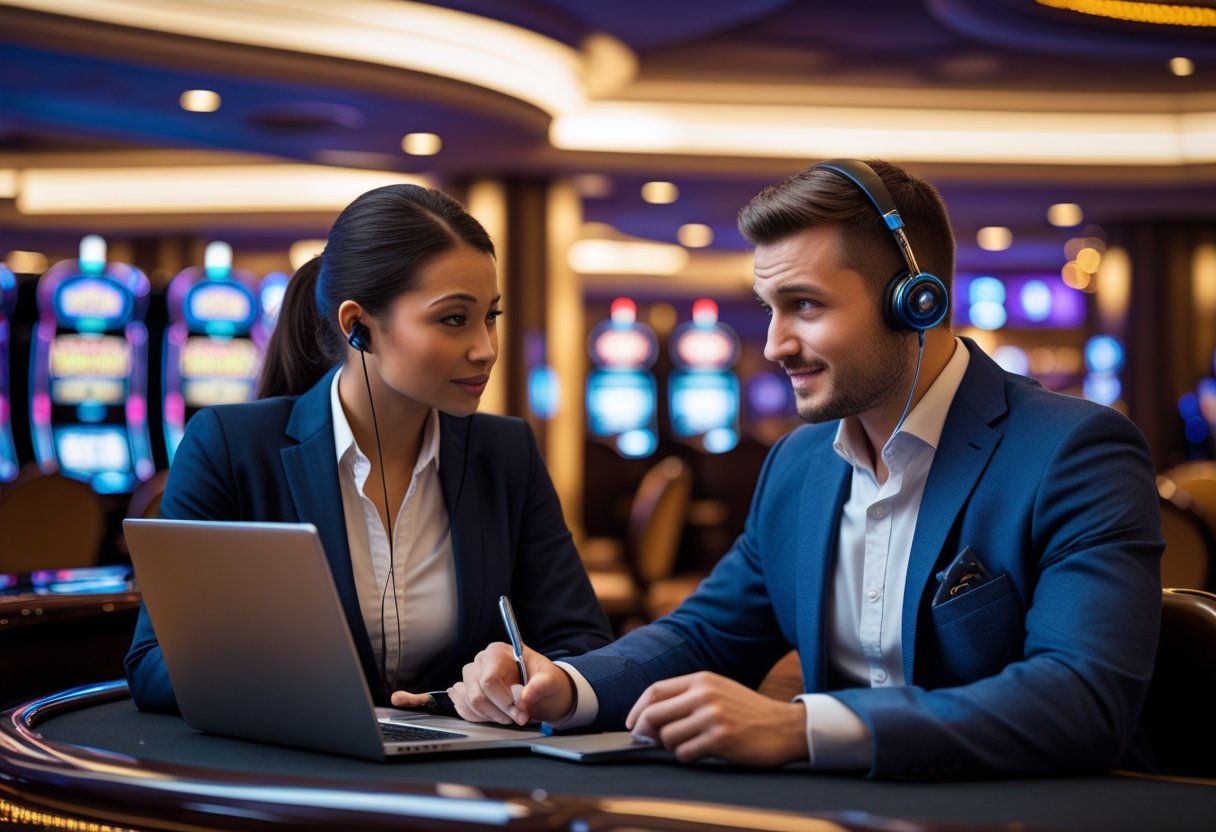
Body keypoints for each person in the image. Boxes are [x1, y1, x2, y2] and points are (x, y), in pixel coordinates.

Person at [447, 159, 1164, 779]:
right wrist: (565, 685)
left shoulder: (1074, 451)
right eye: (770, 308)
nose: (774, 344)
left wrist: (803, 727)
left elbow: (1082, 700)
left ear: (916, 305)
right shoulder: (799, 462)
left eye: (806, 307)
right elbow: (705, 634)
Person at [125, 184, 612, 712]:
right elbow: (155, 664)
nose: (486, 349)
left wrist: (525, 674)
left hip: (467, 758)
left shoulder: (506, 452)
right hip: (297, 757)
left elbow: (582, 643)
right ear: (358, 327)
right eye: (454, 319)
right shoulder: (230, 446)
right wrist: (306, 687)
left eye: (490, 317)